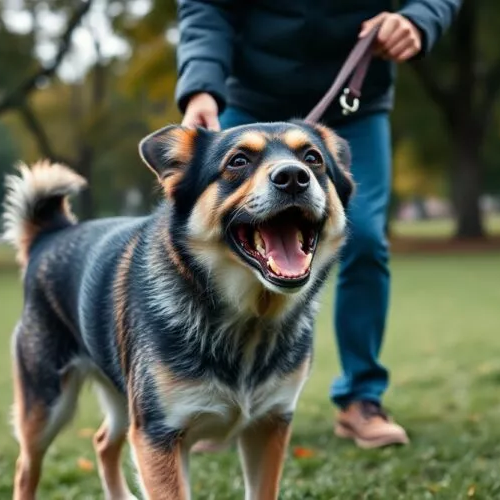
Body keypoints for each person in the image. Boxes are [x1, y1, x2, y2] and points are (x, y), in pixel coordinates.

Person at [175, 0, 460, 449]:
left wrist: (418, 18)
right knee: (224, 239)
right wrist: (200, 87)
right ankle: (214, 399)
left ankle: (361, 399)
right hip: (246, 100)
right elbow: (207, 8)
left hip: (355, 97)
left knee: (363, 237)